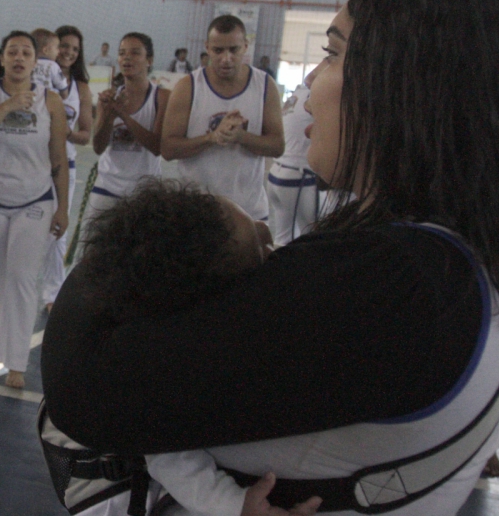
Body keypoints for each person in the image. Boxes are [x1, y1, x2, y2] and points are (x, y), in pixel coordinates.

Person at [43, 0, 499, 515]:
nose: (311, 79)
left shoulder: (397, 285)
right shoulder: (479, 257)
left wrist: (158, 235)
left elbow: (80, 386)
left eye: (333, 54)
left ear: (412, 82)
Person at [71, 180, 318, 516]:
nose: (269, 241)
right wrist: (235, 504)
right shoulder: (163, 373)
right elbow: (165, 452)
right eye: (261, 251)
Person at [0, 32, 68, 389]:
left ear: (36, 61)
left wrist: (63, 207)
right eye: (12, 52)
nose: (19, 58)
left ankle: (16, 361)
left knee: (21, 277)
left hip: (35, 199)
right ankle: (2, 343)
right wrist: (6, 107)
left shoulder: (50, 101)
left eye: (26, 53)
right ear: (2, 58)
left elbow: (58, 158)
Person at [161, 15, 284, 222]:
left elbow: (277, 146)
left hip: (250, 212)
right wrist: (211, 138)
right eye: (218, 50)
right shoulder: (188, 87)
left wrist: (240, 137)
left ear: (245, 47)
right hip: (196, 213)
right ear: (207, 48)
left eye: (233, 50)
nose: (226, 58)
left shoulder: (265, 86)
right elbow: (168, 149)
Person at [83, 33, 165, 232]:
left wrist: (124, 116)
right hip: (107, 186)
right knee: (93, 247)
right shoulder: (108, 98)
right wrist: (109, 116)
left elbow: (157, 147)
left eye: (135, 53)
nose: (127, 58)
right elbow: (98, 147)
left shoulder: (161, 97)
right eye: (122, 53)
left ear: (149, 60)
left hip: (144, 193)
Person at [40, 25, 92, 312]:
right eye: (64, 46)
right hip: (32, 163)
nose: (69, 53)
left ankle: (53, 294)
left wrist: (64, 131)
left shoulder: (80, 88)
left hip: (64, 166)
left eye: (75, 49)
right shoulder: (37, 75)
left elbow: (85, 135)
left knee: (57, 229)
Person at [266, 65, 320, 245]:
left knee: (283, 237)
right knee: (310, 235)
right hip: (298, 174)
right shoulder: (314, 98)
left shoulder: (296, 95)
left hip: (278, 172)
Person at [32, 28, 68, 93]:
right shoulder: (53, 65)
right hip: (48, 97)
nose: (58, 51)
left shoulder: (29, 64)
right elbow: (62, 85)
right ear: (45, 50)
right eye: (57, 48)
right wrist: (64, 94)